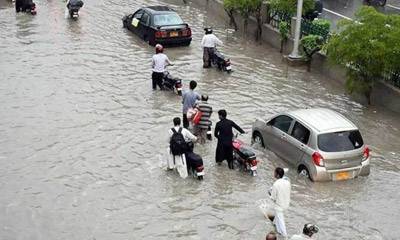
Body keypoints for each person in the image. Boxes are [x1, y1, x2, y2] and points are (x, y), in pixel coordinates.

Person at [268, 167, 291, 238]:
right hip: (286, 204)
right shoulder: (287, 182)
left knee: (281, 221)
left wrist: (270, 193)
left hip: (279, 206)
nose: (273, 173)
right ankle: (278, 231)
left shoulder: (276, 184)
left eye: (274, 172)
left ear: (277, 175)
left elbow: (273, 198)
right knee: (278, 219)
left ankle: (285, 236)